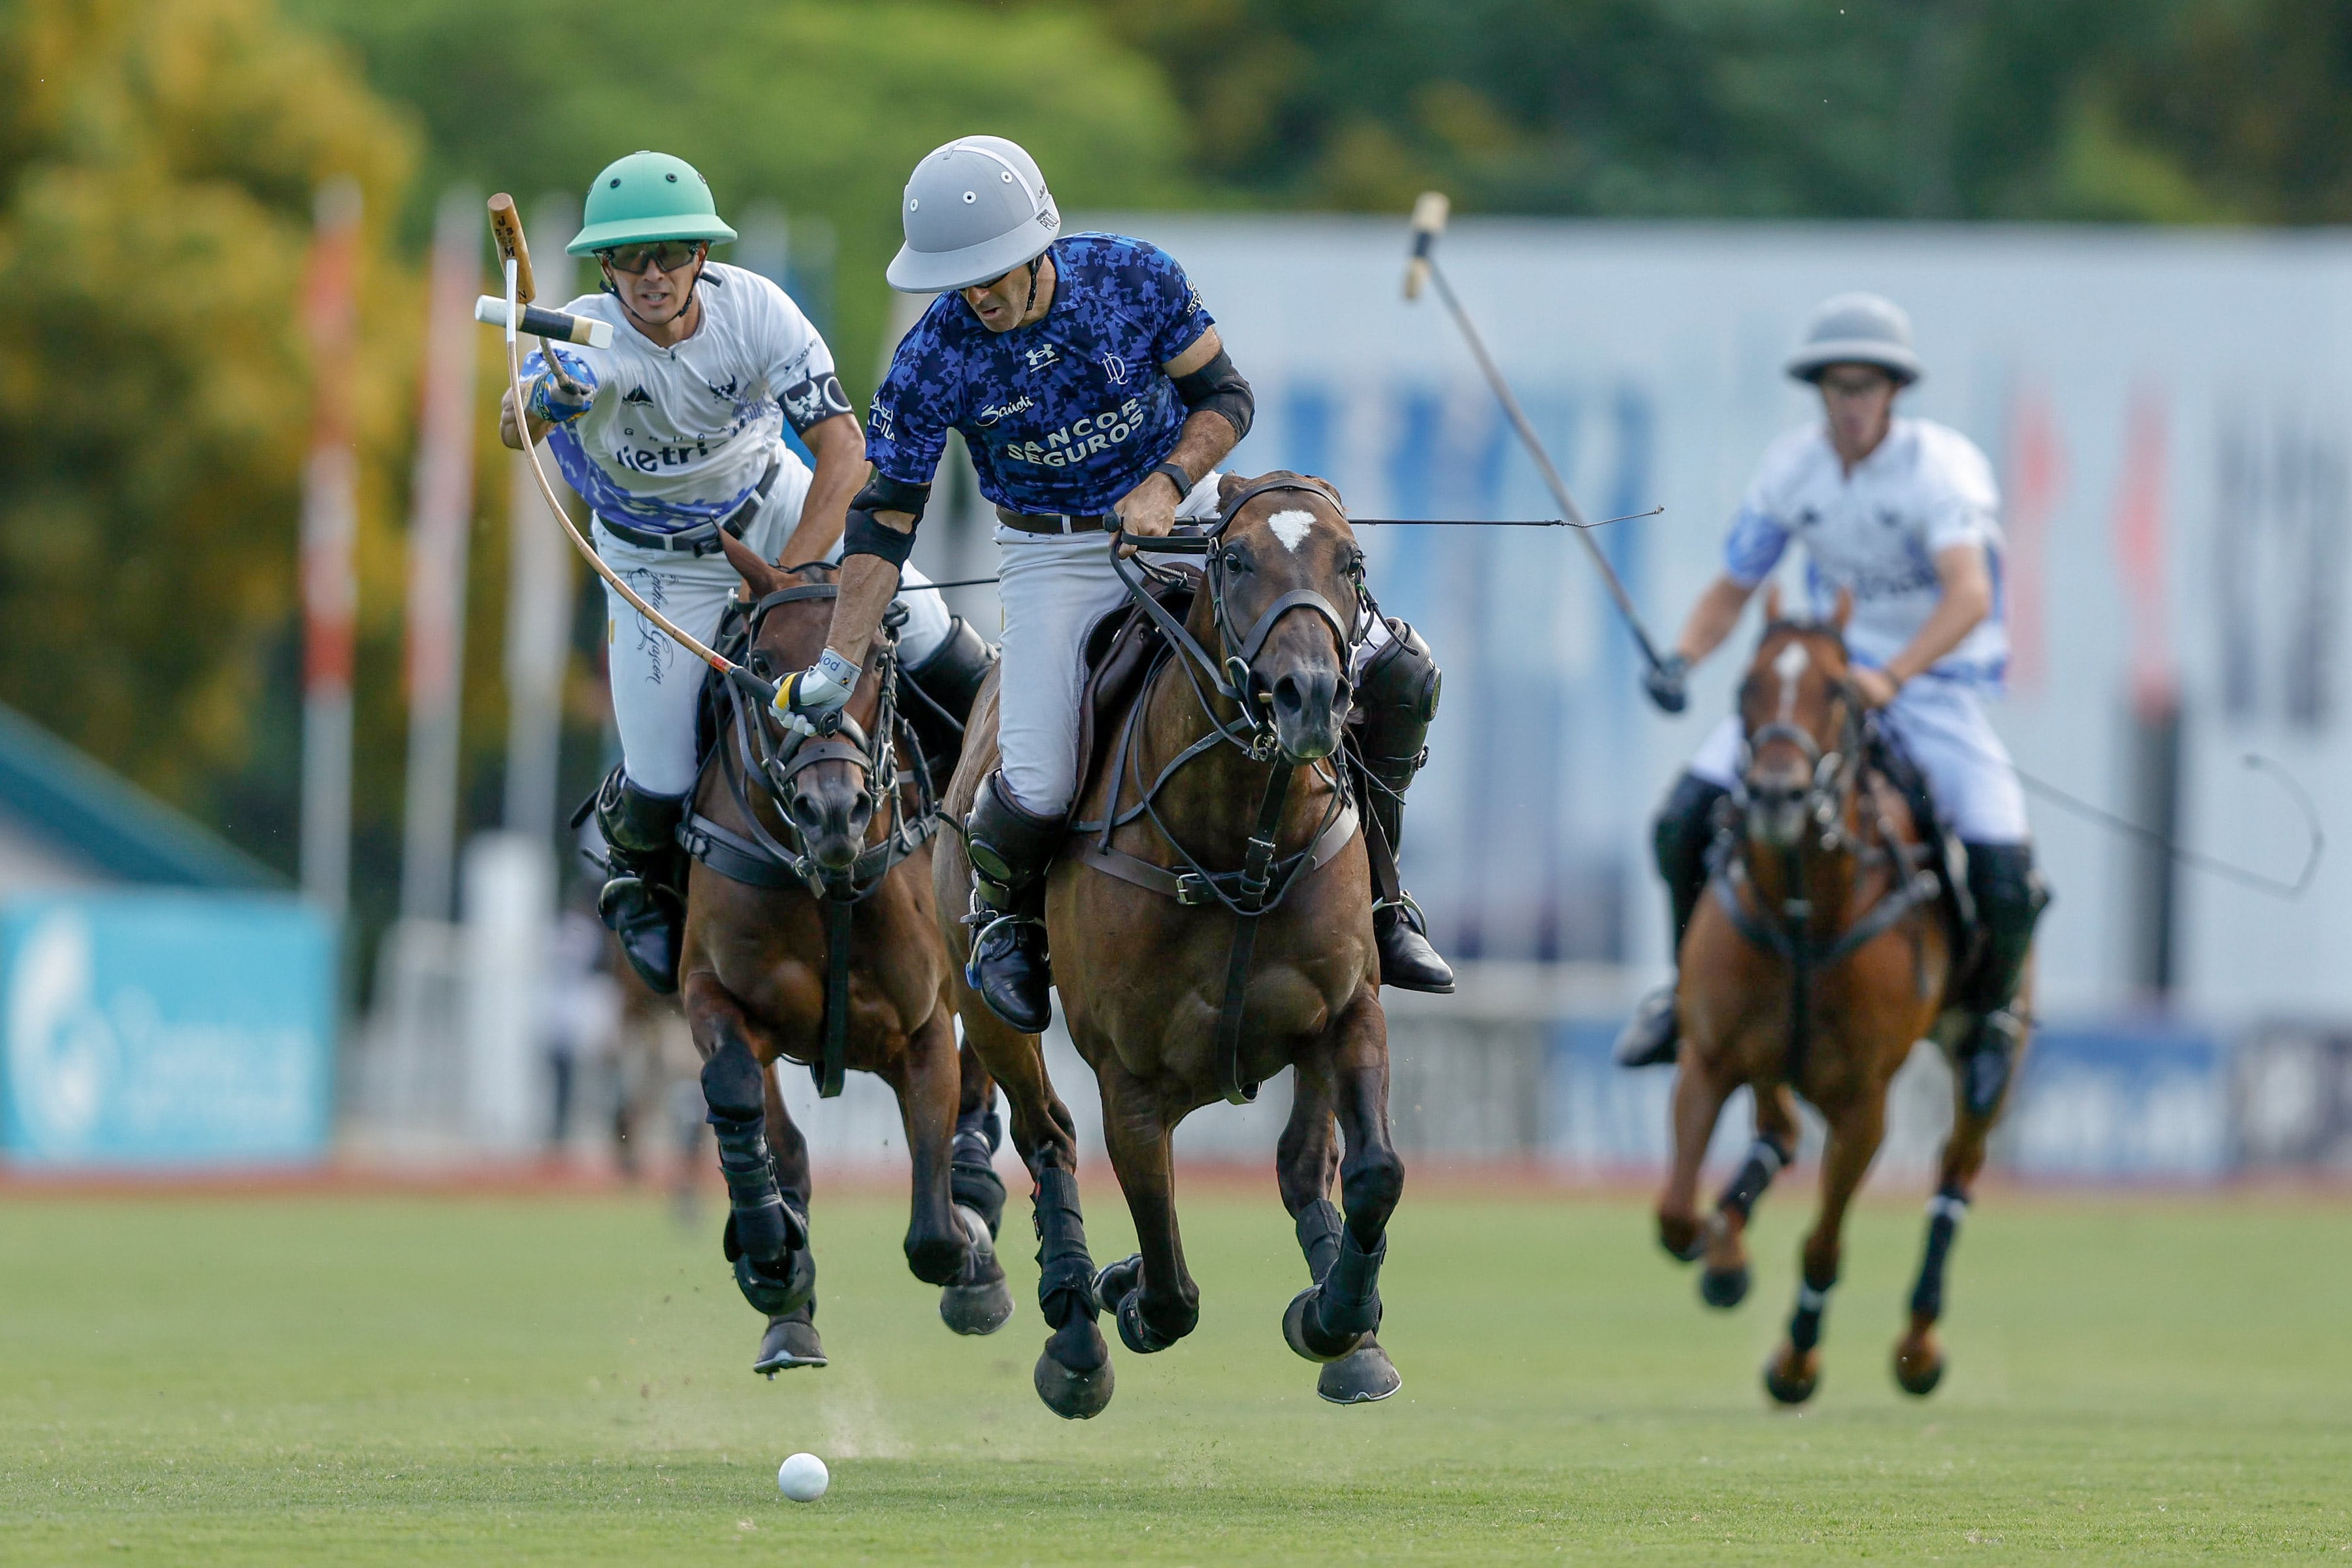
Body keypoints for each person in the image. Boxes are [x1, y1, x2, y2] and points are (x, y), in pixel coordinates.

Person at [766, 135, 1454, 1034]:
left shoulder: (1133, 278)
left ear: (1038, 246)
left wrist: (1167, 481)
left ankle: (1386, 903)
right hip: (1053, 556)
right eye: (957, 276)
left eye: (994, 269)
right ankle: (1007, 926)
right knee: (1039, 783)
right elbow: (884, 518)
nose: (978, 291)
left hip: (1195, 517)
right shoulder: (932, 358)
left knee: (1396, 670)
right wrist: (837, 659)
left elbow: (1227, 397)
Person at [499, 150, 994, 994]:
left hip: (779, 510)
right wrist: (541, 405)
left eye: (669, 254)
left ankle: (995, 843)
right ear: (603, 266)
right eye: (628, 258)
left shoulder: (755, 310)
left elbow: (844, 450)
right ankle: (646, 898)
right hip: (656, 563)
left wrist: (795, 576)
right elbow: (516, 425)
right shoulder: (581, 340)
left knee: (947, 648)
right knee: (656, 774)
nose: (650, 276)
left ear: (701, 255)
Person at [1616, 293, 2048, 1117]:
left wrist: (1892, 678)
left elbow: (1967, 596)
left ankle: (1987, 1021)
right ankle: (1685, 997)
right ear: (1819, 391)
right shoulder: (1792, 470)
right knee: (1681, 822)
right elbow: (1735, 586)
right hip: (1814, 693)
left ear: (1893, 390)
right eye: (1836, 387)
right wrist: (1684, 656)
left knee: (2004, 868)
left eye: (1866, 386)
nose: (1850, 403)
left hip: (1931, 691)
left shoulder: (1941, 470)